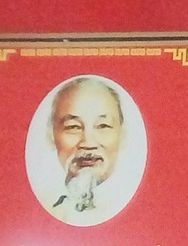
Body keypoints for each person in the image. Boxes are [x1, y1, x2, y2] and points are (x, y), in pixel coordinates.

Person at [40, 76, 137, 225]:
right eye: (73, 127)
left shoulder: (136, 206)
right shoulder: (42, 207)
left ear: (122, 135)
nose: (88, 143)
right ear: (51, 135)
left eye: (103, 126)